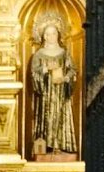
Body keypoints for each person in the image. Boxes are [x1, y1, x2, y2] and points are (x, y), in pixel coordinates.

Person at [30, 15, 79, 156]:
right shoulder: (39, 55)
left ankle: (61, 145)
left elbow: (73, 69)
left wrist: (66, 78)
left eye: (54, 33)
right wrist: (44, 70)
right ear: (44, 36)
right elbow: (34, 73)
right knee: (47, 117)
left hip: (61, 93)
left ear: (58, 35)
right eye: (48, 34)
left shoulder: (64, 54)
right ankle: (47, 146)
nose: (51, 36)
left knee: (61, 117)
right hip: (46, 94)